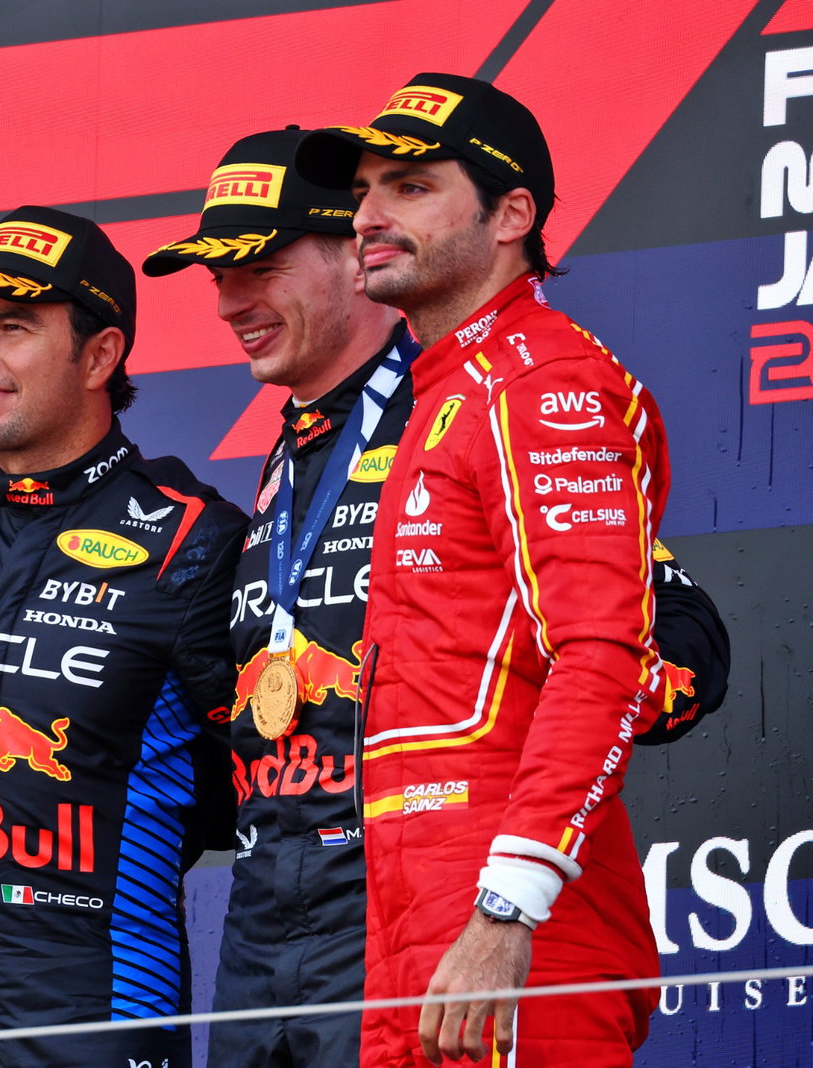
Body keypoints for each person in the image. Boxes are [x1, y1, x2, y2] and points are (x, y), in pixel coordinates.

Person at [143, 127, 728, 1066]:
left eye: (260, 263)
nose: (230, 300)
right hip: (274, 928)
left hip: (417, 902)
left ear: (352, 251)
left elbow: (662, 639)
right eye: (217, 273)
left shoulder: (481, 399)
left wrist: (521, 732)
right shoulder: (275, 473)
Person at [294, 74, 683, 1066]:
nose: (369, 216)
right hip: (417, 916)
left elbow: (603, 651)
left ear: (511, 215)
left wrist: (508, 908)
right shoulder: (446, 390)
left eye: (411, 186)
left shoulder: (543, 382)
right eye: (364, 190)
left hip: (511, 925)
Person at [0, 206, 248, 1066]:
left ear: (101, 355)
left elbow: (267, 785)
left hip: (98, 1009)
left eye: (13, 327)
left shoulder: (191, 539)